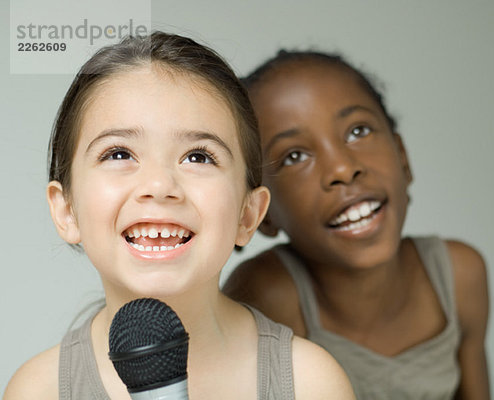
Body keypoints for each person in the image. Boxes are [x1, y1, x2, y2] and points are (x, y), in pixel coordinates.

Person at [4, 34, 356, 400]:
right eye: (119, 154)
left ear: (247, 216)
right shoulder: (38, 390)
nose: (158, 185)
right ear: (66, 211)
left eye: (198, 157)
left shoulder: (309, 384)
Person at [223, 50, 491, 400]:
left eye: (358, 131)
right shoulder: (268, 295)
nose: (342, 169)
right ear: (262, 212)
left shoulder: (458, 275)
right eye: (294, 156)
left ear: (403, 157)